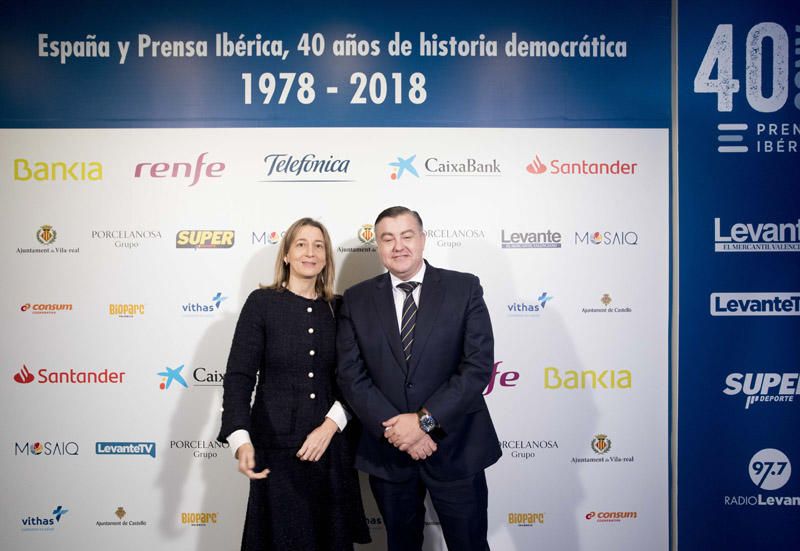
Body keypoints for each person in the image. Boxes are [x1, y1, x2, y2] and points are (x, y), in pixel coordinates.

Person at [337, 206, 502, 551]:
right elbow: (352, 375)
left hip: (456, 446)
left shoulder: (464, 288)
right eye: (388, 238)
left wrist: (424, 424)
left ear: (423, 239)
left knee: (470, 545)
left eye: (407, 235)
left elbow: (477, 366)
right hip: (390, 451)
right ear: (378, 246)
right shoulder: (356, 299)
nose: (398, 246)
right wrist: (402, 433)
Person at [218, 217, 370, 551]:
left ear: (327, 257)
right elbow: (240, 376)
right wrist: (240, 439)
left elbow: (355, 377)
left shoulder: (340, 308)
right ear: (286, 254)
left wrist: (331, 426)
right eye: (301, 244)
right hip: (275, 449)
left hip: (331, 451)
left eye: (319, 246)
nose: (310, 252)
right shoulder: (261, 304)